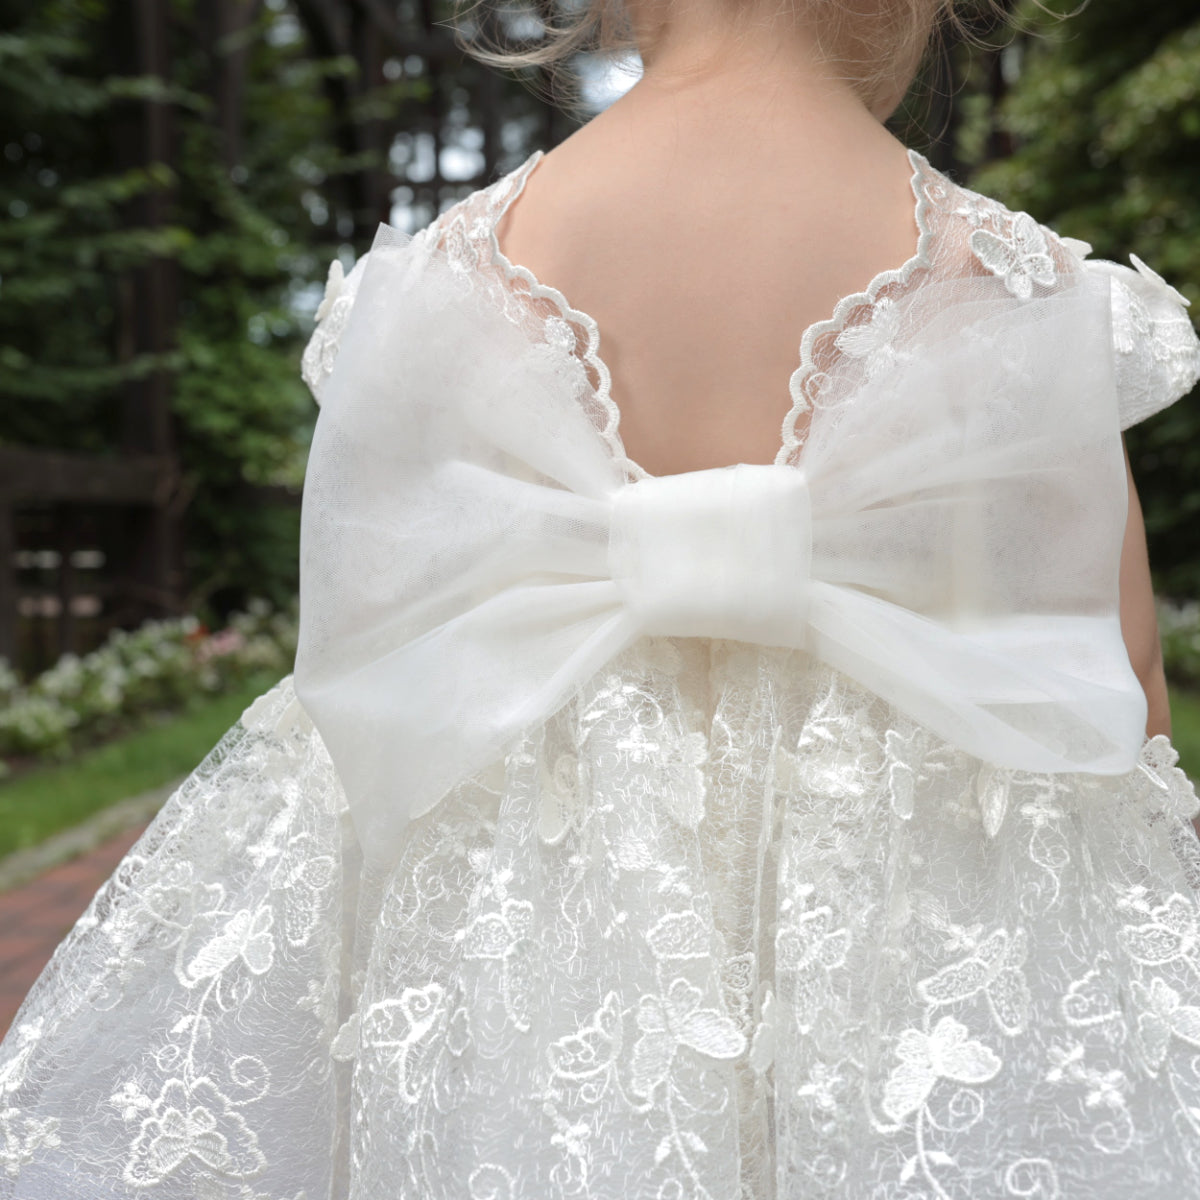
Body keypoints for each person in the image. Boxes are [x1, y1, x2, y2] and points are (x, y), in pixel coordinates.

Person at [4, 0, 1200, 1195]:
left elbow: (369, 692)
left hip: (537, 998)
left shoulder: (427, 299)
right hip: (910, 994)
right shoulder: (1017, 296)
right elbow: (1111, 707)